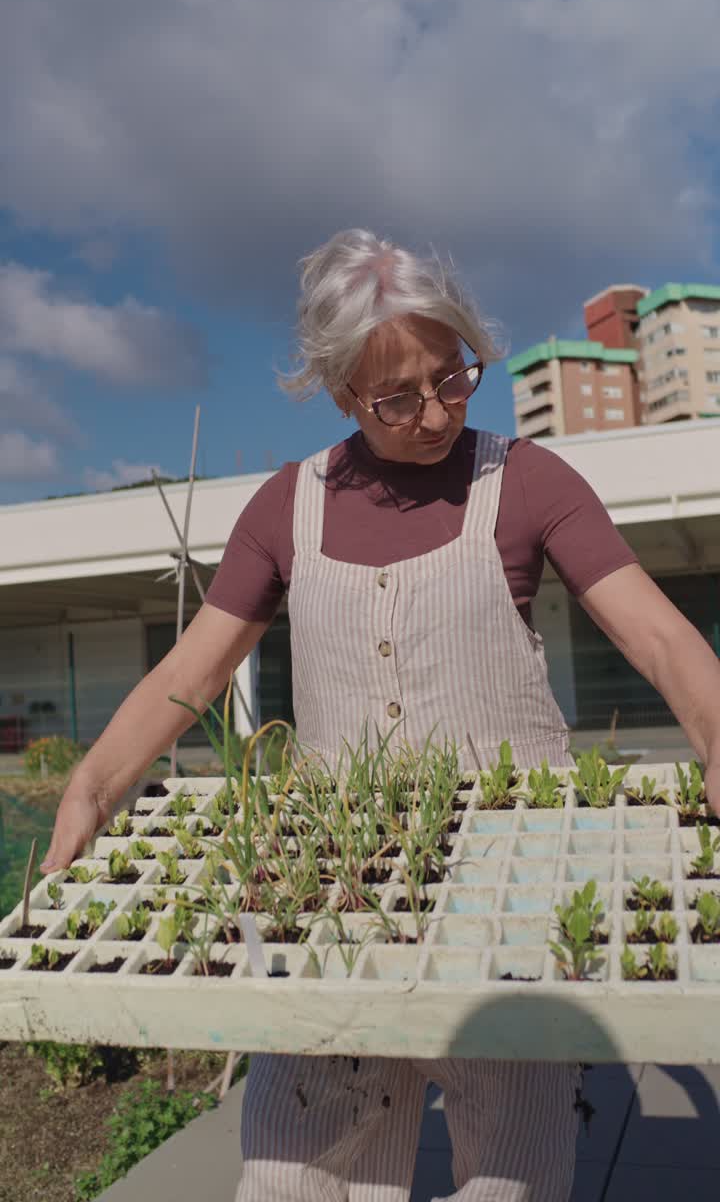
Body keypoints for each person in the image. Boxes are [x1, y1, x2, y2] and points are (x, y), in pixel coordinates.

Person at [42, 229, 720, 1202]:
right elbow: (188, 671)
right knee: (295, 1172)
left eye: (456, 377)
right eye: (397, 397)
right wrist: (92, 784)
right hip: (338, 894)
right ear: (339, 391)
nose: (436, 411)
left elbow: (657, 636)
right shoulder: (288, 507)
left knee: (513, 1171)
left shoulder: (528, 480)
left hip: (507, 889)